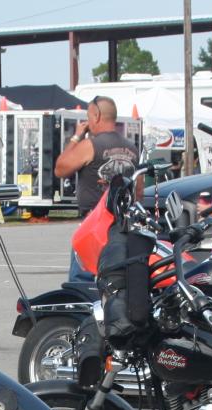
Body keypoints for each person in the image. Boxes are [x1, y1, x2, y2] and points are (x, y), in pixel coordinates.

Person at [55, 96, 137, 283]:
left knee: (82, 282)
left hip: (95, 223)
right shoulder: (132, 148)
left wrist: (76, 137)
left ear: (96, 116)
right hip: (122, 225)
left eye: (88, 116)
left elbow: (60, 169)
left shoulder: (90, 145)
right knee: (115, 280)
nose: (88, 122)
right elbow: (138, 191)